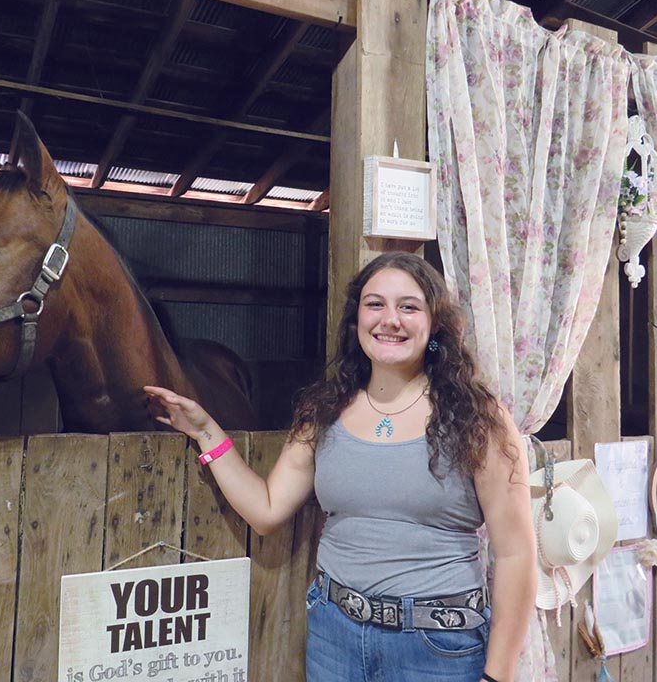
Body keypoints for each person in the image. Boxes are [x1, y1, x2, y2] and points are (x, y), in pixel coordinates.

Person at [145, 251, 536, 682]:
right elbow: (267, 509)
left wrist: (498, 675)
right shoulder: (325, 411)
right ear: (357, 320)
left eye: (409, 307)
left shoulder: (478, 418)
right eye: (375, 304)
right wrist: (206, 433)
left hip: (436, 647)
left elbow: (516, 553)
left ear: (435, 324)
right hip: (335, 638)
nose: (390, 320)